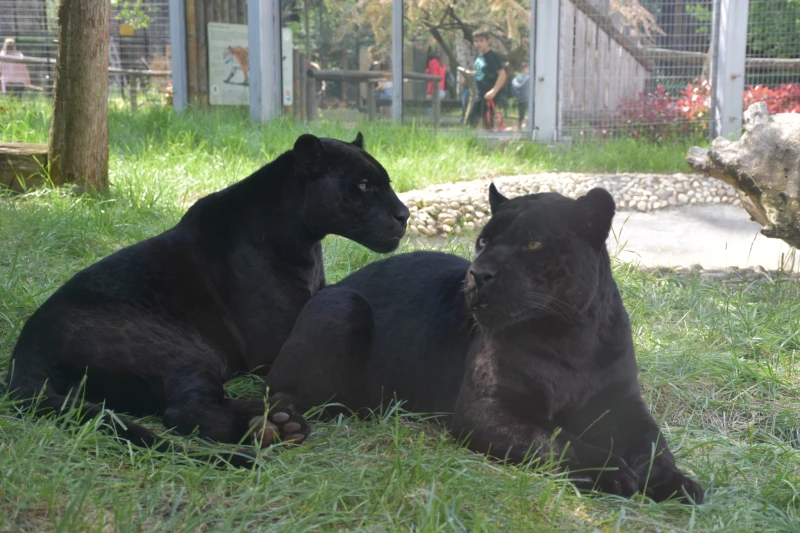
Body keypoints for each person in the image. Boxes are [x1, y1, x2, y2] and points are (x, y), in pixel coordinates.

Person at [466, 28, 507, 130]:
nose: (478, 44)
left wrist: (493, 91)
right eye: (476, 41)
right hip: (480, 94)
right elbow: (482, 71)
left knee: (487, 123)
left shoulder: (491, 56)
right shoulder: (479, 56)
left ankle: (492, 143)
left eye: (481, 40)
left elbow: (502, 74)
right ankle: (469, 142)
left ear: (488, 41)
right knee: (471, 122)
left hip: (489, 95)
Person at [511, 62, 531, 128]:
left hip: (519, 99)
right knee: (530, 113)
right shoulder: (529, 78)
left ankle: (519, 126)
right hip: (527, 99)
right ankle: (528, 127)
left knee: (521, 114)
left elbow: (513, 89)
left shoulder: (516, 79)